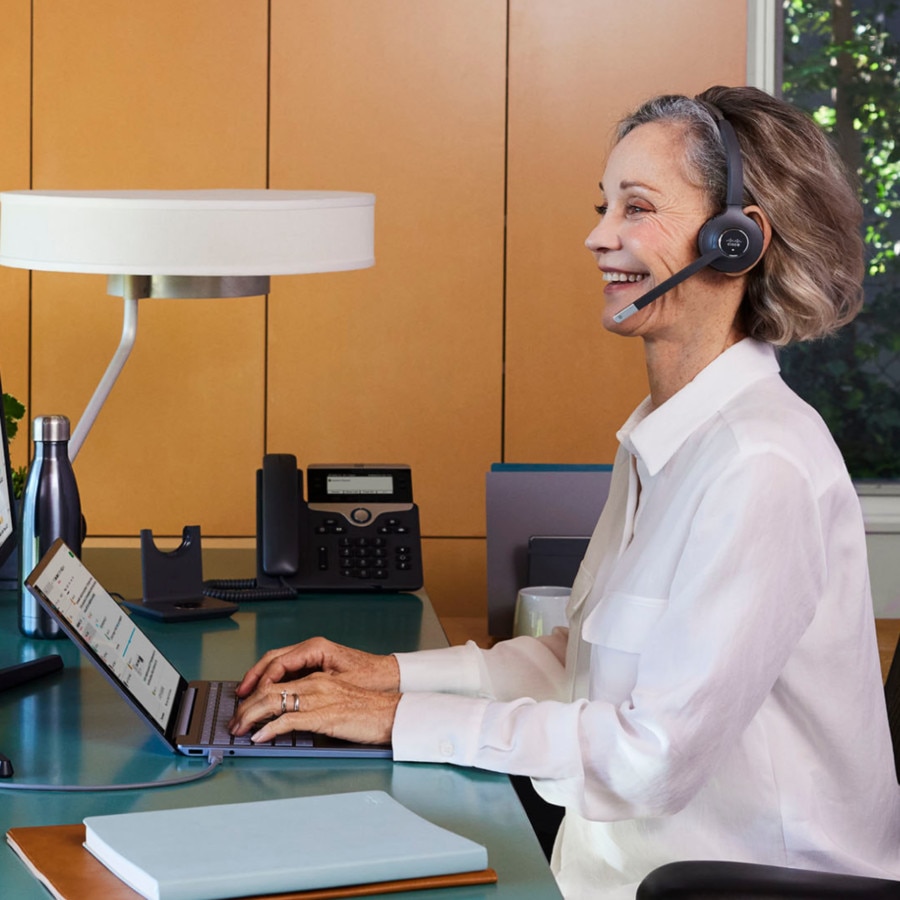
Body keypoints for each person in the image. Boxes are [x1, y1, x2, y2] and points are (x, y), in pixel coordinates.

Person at [229, 85, 900, 898]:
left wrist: (399, 723)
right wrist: (390, 679)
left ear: (735, 241)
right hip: (601, 873)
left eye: (637, 207)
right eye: (603, 205)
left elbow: (648, 758)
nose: (598, 235)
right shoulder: (662, 439)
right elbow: (580, 664)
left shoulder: (762, 464)